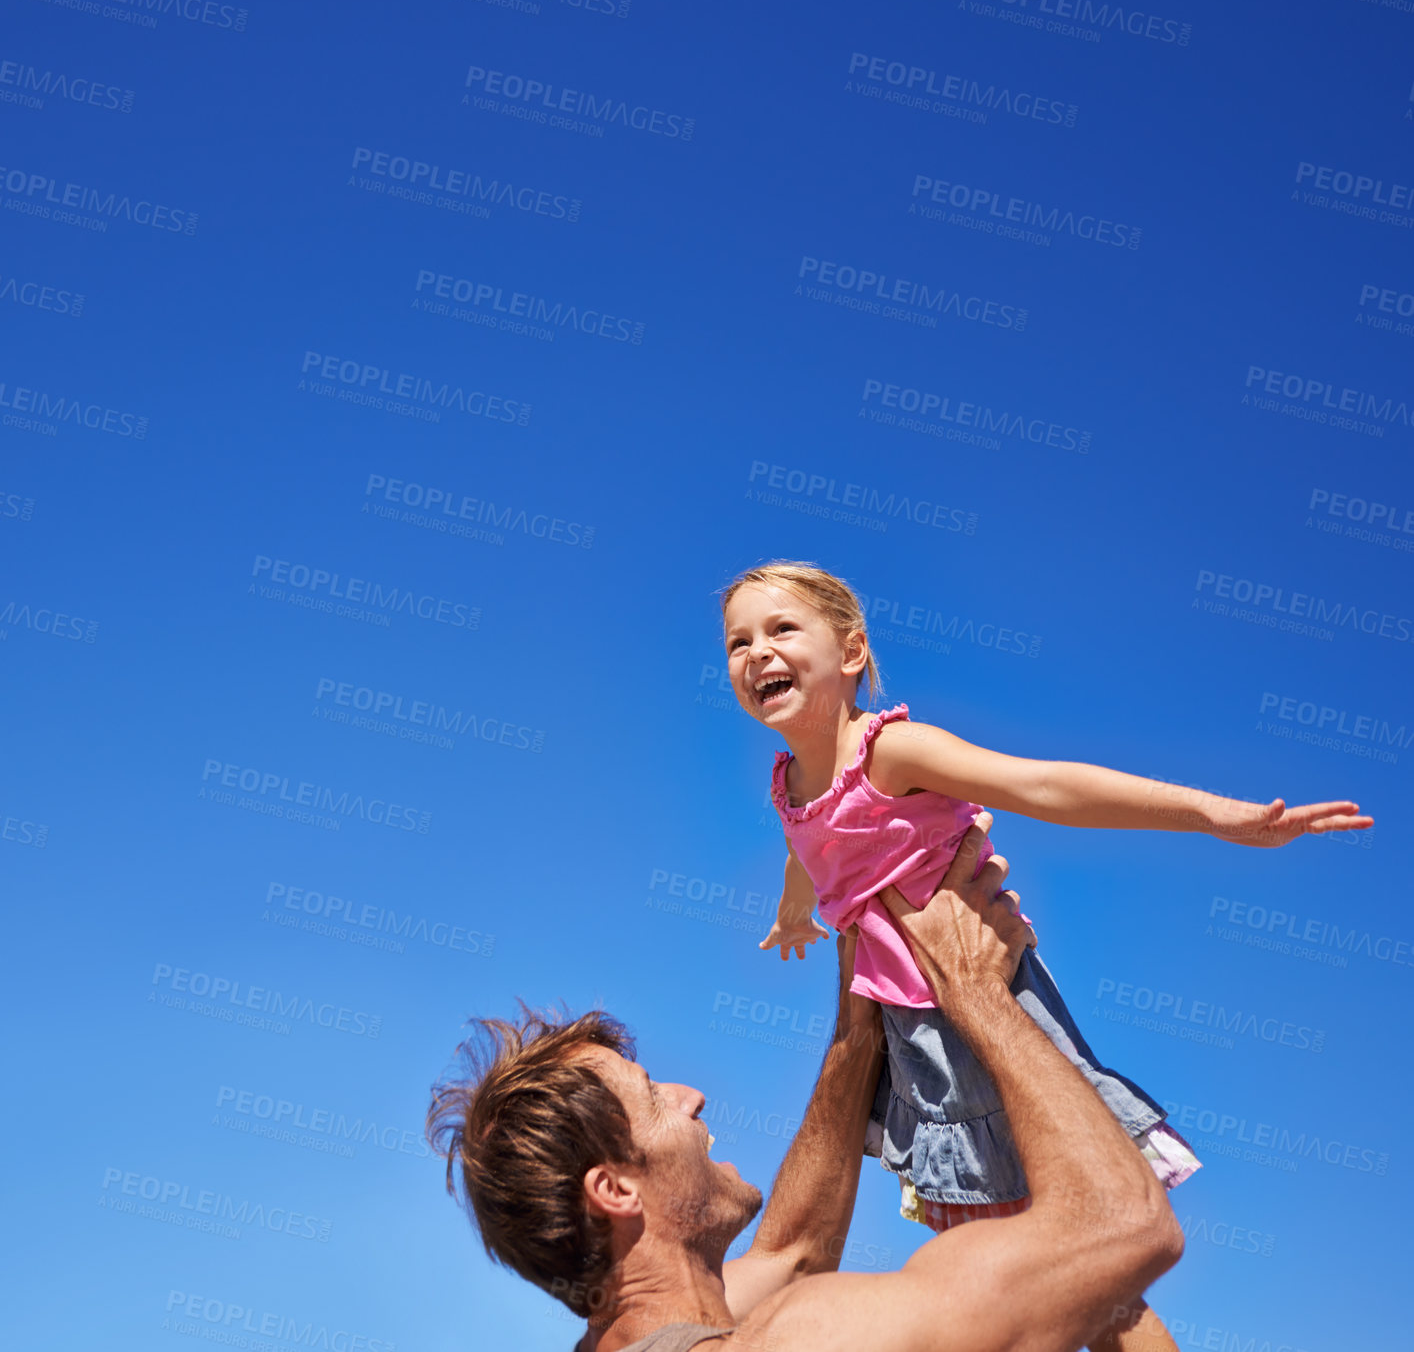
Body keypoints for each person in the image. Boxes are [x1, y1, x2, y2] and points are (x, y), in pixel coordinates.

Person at [718, 560, 1373, 1350]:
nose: (757, 653)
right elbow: (806, 850)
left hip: (985, 1002)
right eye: (738, 642)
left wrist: (1211, 814)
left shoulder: (892, 752)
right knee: (1010, 1251)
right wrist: (796, 916)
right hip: (912, 1031)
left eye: (783, 630)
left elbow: (1042, 785)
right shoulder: (789, 784)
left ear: (852, 651)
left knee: (1079, 1244)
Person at [427, 820, 1184, 1352]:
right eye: (654, 1098)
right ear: (616, 1191)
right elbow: (1124, 1226)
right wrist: (974, 990)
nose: (692, 1096)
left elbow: (796, 1251)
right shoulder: (804, 1338)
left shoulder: (656, 1330)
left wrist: (863, 962)